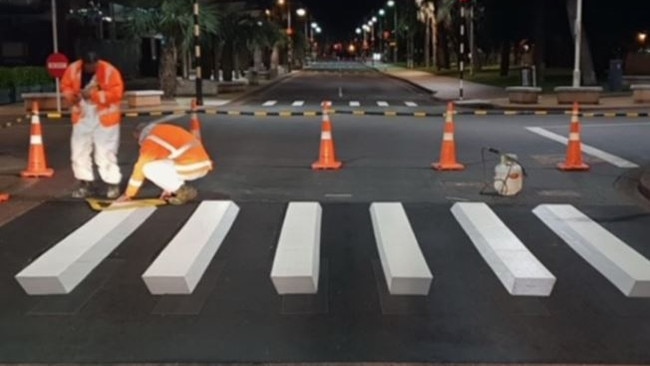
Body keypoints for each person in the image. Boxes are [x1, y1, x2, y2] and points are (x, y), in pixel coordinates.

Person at [60, 51, 124, 199]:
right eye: (88, 65)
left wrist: (94, 96)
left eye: (94, 64)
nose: (91, 68)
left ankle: (112, 183)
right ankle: (85, 183)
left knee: (105, 152)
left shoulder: (109, 70)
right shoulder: (73, 69)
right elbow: (66, 87)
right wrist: (72, 97)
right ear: (83, 63)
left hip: (105, 117)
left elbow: (116, 93)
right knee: (79, 151)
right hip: (82, 114)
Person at [115, 122, 213, 205]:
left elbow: (139, 168)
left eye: (137, 139)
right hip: (202, 164)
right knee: (158, 163)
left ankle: (182, 191)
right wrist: (167, 188)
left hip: (191, 167)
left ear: (140, 135)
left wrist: (128, 194)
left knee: (147, 168)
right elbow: (166, 161)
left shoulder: (151, 140)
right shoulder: (163, 130)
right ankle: (172, 190)